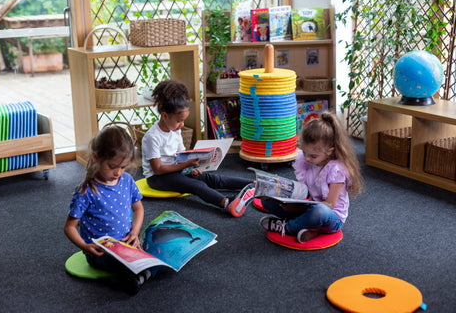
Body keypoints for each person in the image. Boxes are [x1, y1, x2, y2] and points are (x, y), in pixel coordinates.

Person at [141, 79, 254, 217]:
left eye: (183, 120)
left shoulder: (175, 129)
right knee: (196, 186)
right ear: (164, 116)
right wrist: (186, 165)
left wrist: (191, 167)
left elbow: (181, 154)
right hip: (158, 178)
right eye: (179, 121)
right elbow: (158, 169)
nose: (181, 124)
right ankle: (227, 203)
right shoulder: (152, 137)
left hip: (176, 169)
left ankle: (253, 185)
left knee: (212, 178)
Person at [64, 125, 150, 295]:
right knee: (128, 266)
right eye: (112, 166)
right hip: (101, 252)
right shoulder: (86, 190)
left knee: (157, 250)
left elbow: (138, 208)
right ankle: (134, 278)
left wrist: (135, 232)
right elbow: (69, 227)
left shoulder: (126, 180)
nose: (118, 172)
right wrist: (85, 246)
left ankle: (140, 275)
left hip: (127, 244)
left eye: (123, 167)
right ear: (96, 157)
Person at [259, 111, 363, 243]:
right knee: (266, 200)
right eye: (305, 152)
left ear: (329, 151)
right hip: (308, 209)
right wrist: (286, 195)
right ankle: (310, 228)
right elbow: (305, 192)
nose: (307, 158)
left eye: (313, 156)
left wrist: (298, 208)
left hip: (332, 217)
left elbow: (329, 205)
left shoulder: (337, 170)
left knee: (319, 212)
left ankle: (288, 227)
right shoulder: (308, 161)